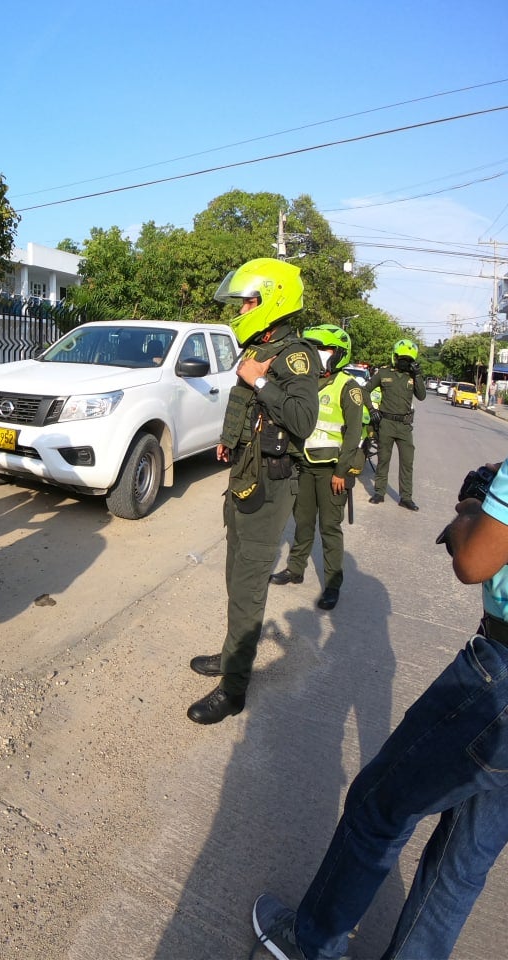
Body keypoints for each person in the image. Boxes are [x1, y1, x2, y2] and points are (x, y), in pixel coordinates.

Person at [253, 460, 508, 960]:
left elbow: (473, 561)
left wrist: (472, 511)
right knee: (465, 858)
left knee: (378, 808)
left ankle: (311, 944)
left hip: (498, 682)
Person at [187, 258, 320, 724]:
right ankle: (232, 655)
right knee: (235, 576)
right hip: (245, 476)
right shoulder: (262, 347)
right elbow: (246, 408)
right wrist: (229, 440)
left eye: (248, 301)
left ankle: (234, 689)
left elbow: (302, 420)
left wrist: (258, 379)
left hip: (272, 484)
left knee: (248, 585)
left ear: (272, 301)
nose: (242, 309)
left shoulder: (296, 355)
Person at [269, 324, 365, 611]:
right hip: (304, 465)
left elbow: (354, 434)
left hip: (331, 470)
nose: (319, 354)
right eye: (315, 348)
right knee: (302, 521)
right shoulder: (306, 381)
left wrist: (342, 472)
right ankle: (295, 569)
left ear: (339, 354)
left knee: (330, 528)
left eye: (324, 349)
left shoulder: (348, 386)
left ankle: (333, 585)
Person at [365, 339, 426, 510]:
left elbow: (421, 396)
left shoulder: (413, 376)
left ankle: (406, 497)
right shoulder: (384, 373)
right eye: (402, 358)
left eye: (408, 360)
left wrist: (418, 375)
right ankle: (379, 492)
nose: (405, 362)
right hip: (386, 423)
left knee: (407, 462)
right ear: (395, 357)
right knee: (383, 459)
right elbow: (365, 390)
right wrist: (372, 410)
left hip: (404, 427)